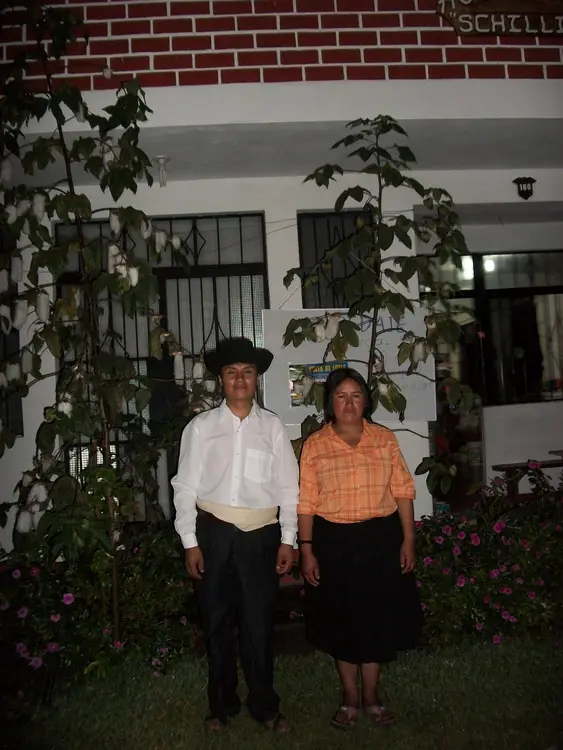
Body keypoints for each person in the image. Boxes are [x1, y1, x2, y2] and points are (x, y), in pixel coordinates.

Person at [171, 337, 298, 734]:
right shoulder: (201, 428)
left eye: (247, 372)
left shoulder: (272, 427)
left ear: (256, 378)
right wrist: (190, 542)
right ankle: (221, 706)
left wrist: (288, 538)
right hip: (214, 536)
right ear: (221, 379)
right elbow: (184, 487)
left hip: (260, 538)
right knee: (217, 623)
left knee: (258, 625)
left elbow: (289, 488)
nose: (240, 379)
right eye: (232, 372)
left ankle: (264, 705)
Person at [298, 367, 422, 730]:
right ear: (330, 403)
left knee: (376, 619)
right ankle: (350, 698)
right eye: (341, 396)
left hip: (379, 540)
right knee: (342, 620)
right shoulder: (316, 445)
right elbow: (306, 503)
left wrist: (408, 540)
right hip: (333, 542)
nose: (349, 403)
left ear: (366, 401)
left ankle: (371, 697)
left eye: (356, 395)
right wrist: (307, 548)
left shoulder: (384, 439)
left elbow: (403, 491)